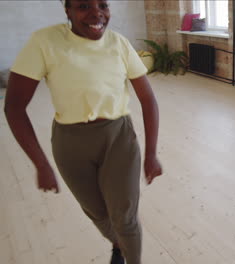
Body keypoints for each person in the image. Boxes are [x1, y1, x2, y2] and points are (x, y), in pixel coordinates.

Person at [3, 0, 162, 263]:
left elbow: (148, 100)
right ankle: (117, 245)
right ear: (67, 10)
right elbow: (14, 108)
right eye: (84, 5)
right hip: (70, 143)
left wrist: (152, 153)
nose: (96, 13)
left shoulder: (119, 44)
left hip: (118, 139)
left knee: (125, 217)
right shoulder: (45, 42)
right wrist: (41, 164)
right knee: (96, 212)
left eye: (103, 4)